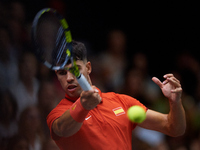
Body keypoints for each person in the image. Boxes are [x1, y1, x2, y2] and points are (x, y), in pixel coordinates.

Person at [46, 41, 186, 150]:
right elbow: (62, 129)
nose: (69, 78)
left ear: (88, 68)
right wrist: (83, 105)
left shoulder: (122, 102)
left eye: (75, 70)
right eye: (62, 73)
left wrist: (175, 102)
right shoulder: (59, 113)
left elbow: (174, 128)